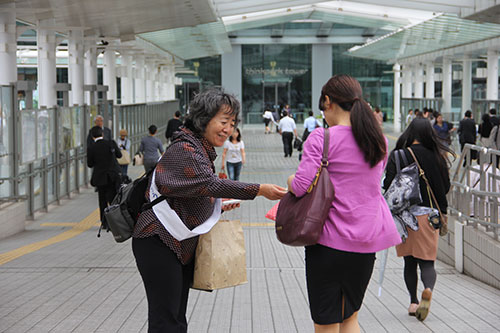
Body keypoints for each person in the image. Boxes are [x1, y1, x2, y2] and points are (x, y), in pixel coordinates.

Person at [131, 88, 287, 332]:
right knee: (167, 319)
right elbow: (208, 184)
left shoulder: (198, 148)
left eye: (232, 123)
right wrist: (259, 189)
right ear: (204, 119)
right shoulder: (185, 149)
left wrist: (218, 206)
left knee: (176, 316)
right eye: (223, 121)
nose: (228, 129)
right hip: (158, 241)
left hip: (175, 244)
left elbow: (193, 192)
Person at [287, 75, 400, 332]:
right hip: (366, 245)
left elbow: (302, 185)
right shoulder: (378, 141)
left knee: (326, 322)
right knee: (350, 317)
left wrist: (291, 179)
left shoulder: (321, 138)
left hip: (328, 243)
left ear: (328, 101)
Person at [384, 118, 452, 322]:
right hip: (429, 216)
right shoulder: (437, 156)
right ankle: (428, 289)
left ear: (409, 133)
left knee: (409, 261)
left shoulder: (398, 155)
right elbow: (445, 187)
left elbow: (388, 186)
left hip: (405, 217)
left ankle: (413, 302)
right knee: (428, 262)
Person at [87, 126, 122, 231]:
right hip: (112, 177)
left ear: (93, 136)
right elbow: (119, 155)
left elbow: (90, 164)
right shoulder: (111, 143)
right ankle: (114, 223)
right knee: (113, 200)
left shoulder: (91, 147)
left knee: (102, 200)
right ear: (102, 134)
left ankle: (104, 223)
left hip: (100, 177)